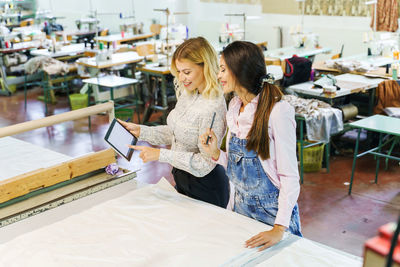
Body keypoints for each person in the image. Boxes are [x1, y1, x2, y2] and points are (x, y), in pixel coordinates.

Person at [200, 41, 302, 251]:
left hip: (272, 216)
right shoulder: (235, 107)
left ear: (240, 70)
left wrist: (278, 228)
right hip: (240, 209)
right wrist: (216, 153)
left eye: (222, 69)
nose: (218, 76)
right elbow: (238, 167)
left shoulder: (277, 112)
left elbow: (290, 178)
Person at [119, 37, 230, 208]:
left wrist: (160, 155)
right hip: (182, 179)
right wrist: (141, 131)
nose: (181, 78)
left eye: (187, 72)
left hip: (206, 187)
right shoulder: (189, 93)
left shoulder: (212, 106)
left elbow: (205, 163)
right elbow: (175, 133)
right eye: (178, 72)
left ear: (205, 67)